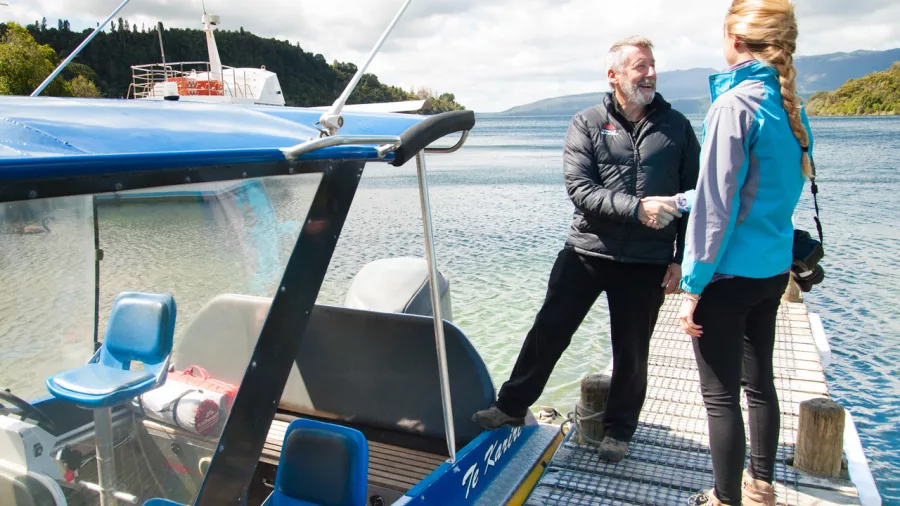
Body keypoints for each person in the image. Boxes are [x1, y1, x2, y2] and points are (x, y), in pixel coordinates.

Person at [471, 35, 701, 463]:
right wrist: (637, 209)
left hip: (647, 260)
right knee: (549, 331)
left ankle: (618, 432)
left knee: (632, 351)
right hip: (587, 252)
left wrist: (680, 259)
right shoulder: (587, 122)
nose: (650, 74)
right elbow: (580, 190)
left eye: (652, 65)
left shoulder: (677, 127)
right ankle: (510, 407)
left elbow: (694, 196)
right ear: (614, 76)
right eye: (640, 67)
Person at [645, 1, 814, 504]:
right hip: (770, 271)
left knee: (720, 399)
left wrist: (692, 288)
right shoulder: (789, 107)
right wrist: (678, 200)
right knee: (760, 385)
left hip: (728, 279)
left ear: (734, 41)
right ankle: (760, 485)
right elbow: (747, 192)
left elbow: (718, 210)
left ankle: (724, 497)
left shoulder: (733, 106)